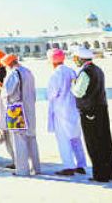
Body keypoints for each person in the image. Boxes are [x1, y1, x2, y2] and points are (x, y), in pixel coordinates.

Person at [72, 45, 112, 182]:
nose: (74, 61)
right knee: (105, 141)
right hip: (101, 108)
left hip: (89, 110)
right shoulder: (98, 69)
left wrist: (72, 84)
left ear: (80, 58)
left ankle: (100, 175)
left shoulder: (85, 72)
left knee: (94, 143)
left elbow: (79, 92)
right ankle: (110, 172)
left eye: (75, 58)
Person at [46, 48, 87, 176]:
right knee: (75, 137)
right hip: (73, 108)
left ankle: (69, 166)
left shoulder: (55, 74)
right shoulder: (71, 71)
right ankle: (81, 164)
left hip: (61, 110)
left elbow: (52, 94)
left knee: (63, 139)